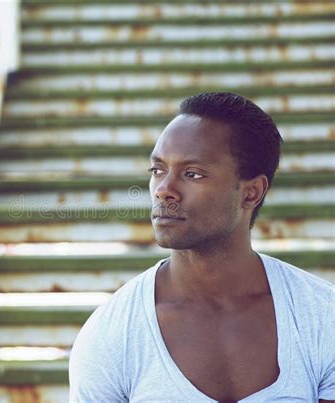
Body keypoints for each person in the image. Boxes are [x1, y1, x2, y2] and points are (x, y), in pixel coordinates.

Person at [68, 92, 334, 402]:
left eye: (192, 174)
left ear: (251, 193)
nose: (164, 190)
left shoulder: (320, 315)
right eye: (157, 170)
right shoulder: (112, 335)